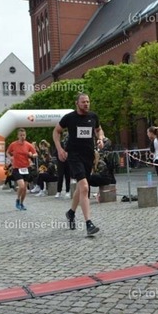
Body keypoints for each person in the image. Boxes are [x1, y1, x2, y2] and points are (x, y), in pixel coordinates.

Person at [54, 93, 103, 235]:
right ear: (77, 103)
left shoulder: (93, 116)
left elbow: (98, 129)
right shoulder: (69, 118)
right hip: (74, 156)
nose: (86, 104)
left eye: (88, 101)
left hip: (88, 156)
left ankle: (71, 213)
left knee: (81, 188)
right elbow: (56, 131)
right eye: (83, 102)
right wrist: (59, 149)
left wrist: (100, 138)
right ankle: (89, 224)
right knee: (85, 187)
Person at [7, 128, 37, 211]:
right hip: (17, 168)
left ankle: (21, 203)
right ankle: (17, 199)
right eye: (21, 135)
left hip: (26, 168)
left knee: (24, 189)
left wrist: (32, 155)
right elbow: (7, 152)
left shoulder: (28, 145)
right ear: (18, 136)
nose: (22, 137)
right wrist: (10, 158)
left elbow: (35, 154)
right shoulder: (13, 144)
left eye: (24, 135)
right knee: (21, 185)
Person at [54, 132, 71, 199]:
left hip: (68, 162)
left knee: (68, 176)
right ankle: (59, 191)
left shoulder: (70, 144)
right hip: (61, 162)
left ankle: (67, 191)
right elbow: (56, 153)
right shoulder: (60, 144)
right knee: (60, 176)